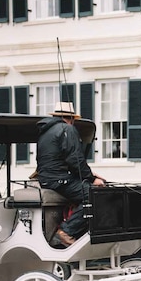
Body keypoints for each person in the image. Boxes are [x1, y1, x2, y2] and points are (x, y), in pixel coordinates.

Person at [36, 101, 106, 246]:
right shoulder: (67, 129)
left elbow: (62, 160)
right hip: (60, 179)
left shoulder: (45, 132)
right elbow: (76, 160)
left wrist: (91, 175)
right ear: (71, 118)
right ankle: (67, 231)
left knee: (87, 189)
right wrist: (92, 179)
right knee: (95, 195)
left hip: (48, 179)